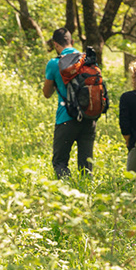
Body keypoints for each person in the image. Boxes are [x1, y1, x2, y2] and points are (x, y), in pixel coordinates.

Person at [42, 28, 94, 178]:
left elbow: (47, 93)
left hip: (66, 118)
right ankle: (86, 191)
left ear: (55, 44)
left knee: (60, 162)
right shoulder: (87, 59)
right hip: (88, 117)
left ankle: (66, 190)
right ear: (72, 41)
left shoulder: (54, 63)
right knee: (86, 166)